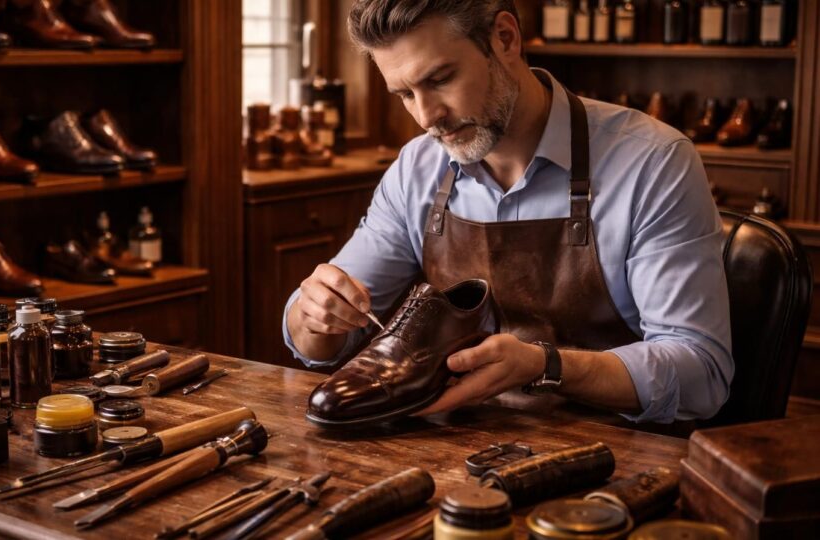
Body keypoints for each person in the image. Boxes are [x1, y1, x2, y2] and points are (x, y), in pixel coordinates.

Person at [283, 0, 733, 424]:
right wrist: (316, 315)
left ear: (504, 37)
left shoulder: (652, 162)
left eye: (440, 78)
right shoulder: (417, 169)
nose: (425, 117)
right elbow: (313, 342)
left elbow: (701, 372)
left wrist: (544, 365)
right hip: (453, 449)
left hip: (611, 460)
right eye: (404, 94)